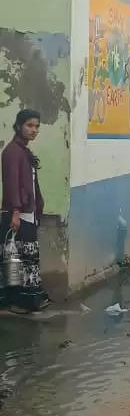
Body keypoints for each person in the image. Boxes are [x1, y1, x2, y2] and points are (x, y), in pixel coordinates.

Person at [1, 108, 50, 313]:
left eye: (37, 126)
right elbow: (12, 183)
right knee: (17, 259)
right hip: (18, 214)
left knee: (25, 258)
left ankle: (28, 298)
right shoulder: (12, 151)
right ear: (19, 126)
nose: (34, 130)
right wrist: (15, 212)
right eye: (29, 125)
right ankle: (19, 301)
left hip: (27, 213)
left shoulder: (23, 151)